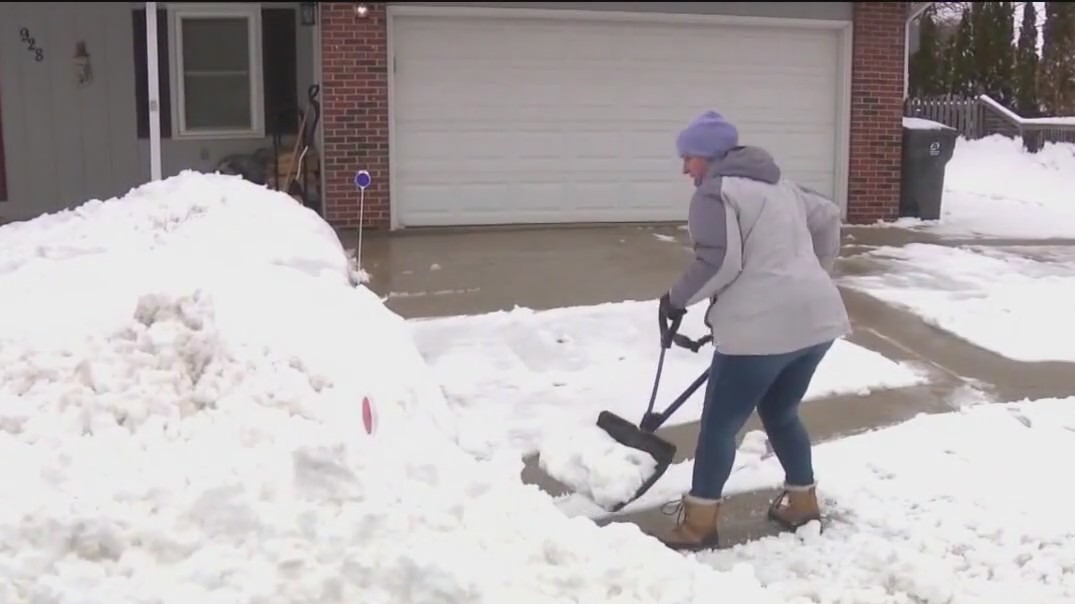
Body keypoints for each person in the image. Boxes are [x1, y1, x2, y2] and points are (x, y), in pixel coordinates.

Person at [655, 110, 851, 552]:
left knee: (720, 426)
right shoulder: (781, 186)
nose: (686, 168)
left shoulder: (714, 193)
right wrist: (814, 272)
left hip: (760, 329)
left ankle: (699, 524)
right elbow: (829, 215)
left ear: (708, 156)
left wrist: (675, 299)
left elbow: (720, 262)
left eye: (689, 158)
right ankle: (802, 503)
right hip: (817, 319)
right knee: (781, 413)